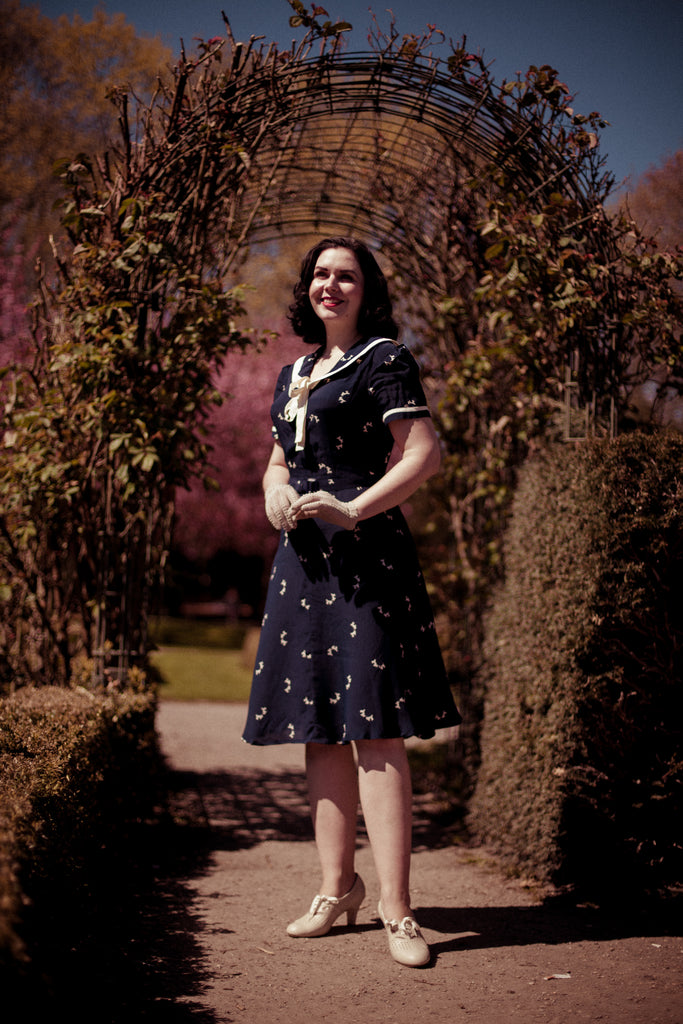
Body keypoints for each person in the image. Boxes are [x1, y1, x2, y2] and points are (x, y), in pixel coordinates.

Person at [242, 236, 461, 967]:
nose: (329, 285)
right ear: (307, 289)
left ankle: (399, 910)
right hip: (303, 563)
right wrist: (274, 489)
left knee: (376, 729)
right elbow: (279, 458)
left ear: (366, 292)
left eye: (346, 276)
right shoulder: (293, 372)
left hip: (368, 557)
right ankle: (337, 890)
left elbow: (423, 453)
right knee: (322, 728)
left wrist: (354, 509)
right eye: (320, 275)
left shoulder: (384, 359)